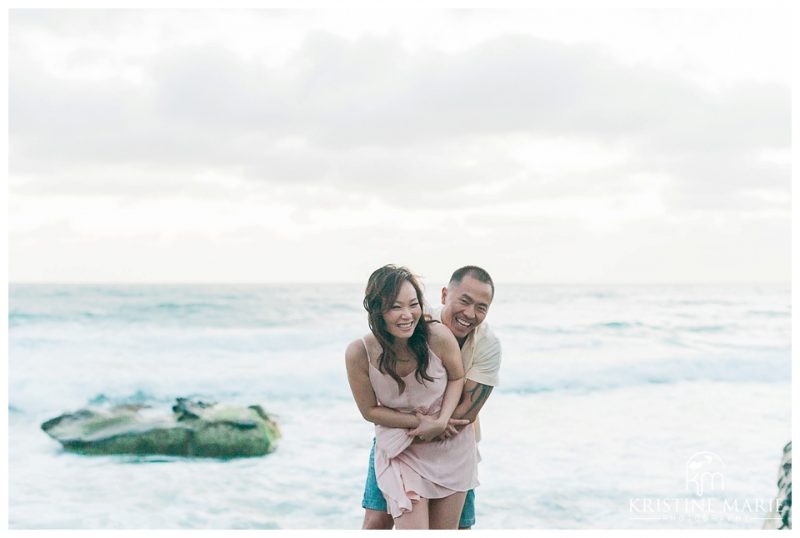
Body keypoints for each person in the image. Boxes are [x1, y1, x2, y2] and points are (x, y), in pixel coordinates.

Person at [360, 265, 501, 530]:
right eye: (465, 301)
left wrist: (436, 424)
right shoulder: (416, 324)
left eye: (481, 307)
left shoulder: (488, 344)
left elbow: (467, 411)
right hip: (401, 435)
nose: (470, 314)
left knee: (459, 527)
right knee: (376, 520)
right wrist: (413, 425)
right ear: (445, 294)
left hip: (451, 442)